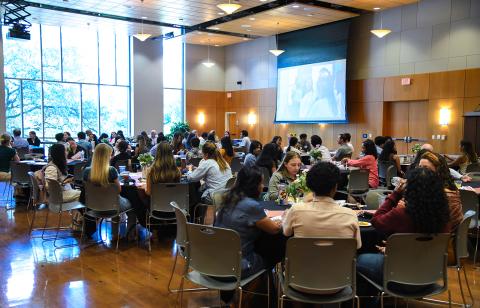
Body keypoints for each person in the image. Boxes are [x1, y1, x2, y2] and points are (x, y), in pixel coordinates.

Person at [357, 168, 450, 290]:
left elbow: (376, 221)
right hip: (430, 276)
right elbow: (423, 245)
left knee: (359, 258)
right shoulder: (445, 218)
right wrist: (395, 249)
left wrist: (395, 194)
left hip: (398, 276)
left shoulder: (401, 214)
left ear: (409, 189)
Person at [215, 166, 282, 279]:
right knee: (276, 248)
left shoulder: (228, 198)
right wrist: (281, 221)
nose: (262, 186)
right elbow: (274, 229)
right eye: (261, 183)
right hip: (238, 266)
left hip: (215, 262)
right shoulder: (251, 206)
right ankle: (269, 293)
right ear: (253, 185)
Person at [283, 162, 361, 248]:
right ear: (335, 187)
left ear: (310, 186)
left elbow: (286, 232)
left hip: (303, 261)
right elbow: (357, 245)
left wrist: (285, 218)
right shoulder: (350, 215)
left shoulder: (296, 210)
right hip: (339, 261)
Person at [83, 143, 136, 236]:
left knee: (113, 202)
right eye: (110, 154)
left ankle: (115, 235)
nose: (111, 157)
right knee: (133, 208)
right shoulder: (111, 170)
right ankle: (130, 235)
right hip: (113, 204)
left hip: (93, 205)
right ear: (106, 156)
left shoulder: (87, 171)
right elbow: (118, 190)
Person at [418, 151, 463, 230]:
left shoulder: (443, 194)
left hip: (444, 239)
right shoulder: (448, 189)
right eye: (419, 167)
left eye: (425, 168)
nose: (419, 172)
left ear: (438, 171)